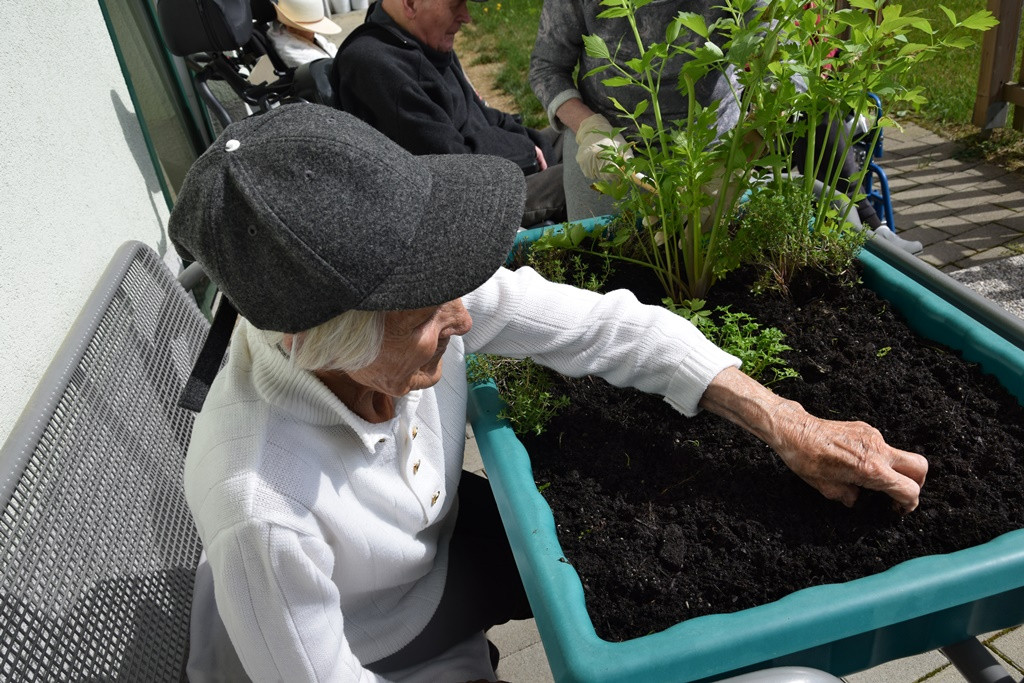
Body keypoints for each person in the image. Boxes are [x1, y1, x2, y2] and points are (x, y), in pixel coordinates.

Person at [170, 103, 927, 682]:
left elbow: (606, 328)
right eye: (431, 313)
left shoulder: (398, 306)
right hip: (373, 641)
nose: (464, 314)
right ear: (332, 344)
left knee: (631, 558)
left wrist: (788, 422)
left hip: (425, 552)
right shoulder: (265, 506)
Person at [528, 0, 924, 253]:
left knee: (717, 286)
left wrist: (738, 157)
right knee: (609, 283)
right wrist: (589, 128)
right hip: (609, 160)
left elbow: (787, 69)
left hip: (713, 155)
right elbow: (547, 67)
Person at [330, 0, 566, 227]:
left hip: (491, 173)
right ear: (411, 3)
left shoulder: (422, 42)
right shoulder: (376, 66)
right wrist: (526, 151)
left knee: (584, 136)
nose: (466, 17)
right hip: (463, 209)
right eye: (455, 5)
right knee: (589, 175)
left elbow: (483, 115)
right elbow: (455, 168)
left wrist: (529, 144)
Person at [267, 0, 342, 68]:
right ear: (291, 27)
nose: (314, 32)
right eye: (311, 29)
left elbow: (330, 48)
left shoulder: (302, 35)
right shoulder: (291, 49)